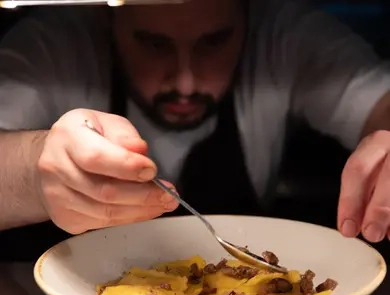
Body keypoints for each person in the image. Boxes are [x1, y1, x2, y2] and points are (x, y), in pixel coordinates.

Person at [0, 0, 389, 246]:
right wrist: (33, 168)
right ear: (107, 16)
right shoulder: (56, 44)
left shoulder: (286, 35)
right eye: (154, 44)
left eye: (213, 42)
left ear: (249, 15)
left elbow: (380, 100)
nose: (185, 82)